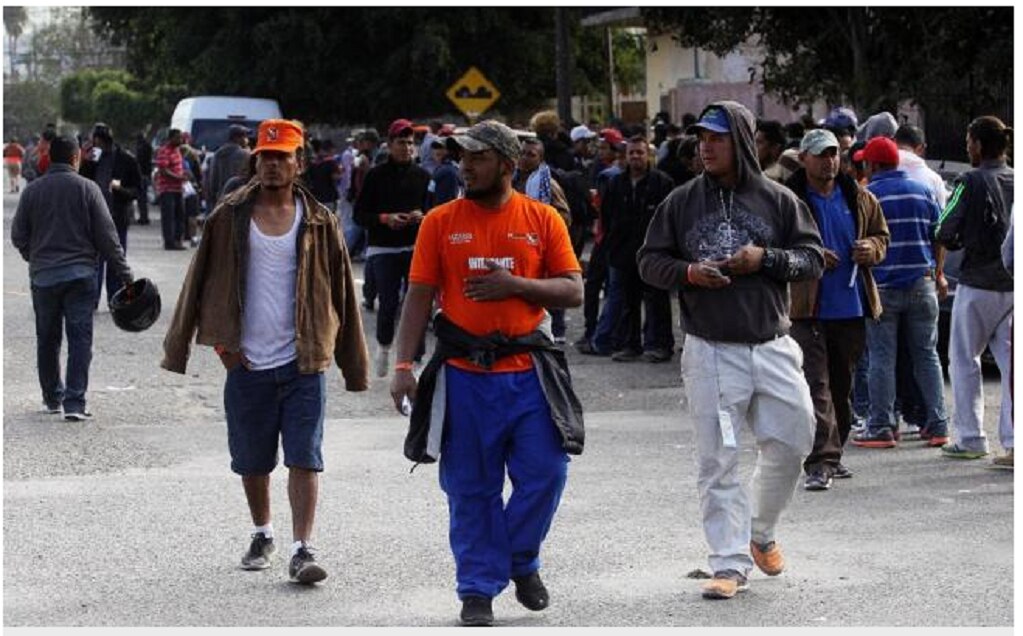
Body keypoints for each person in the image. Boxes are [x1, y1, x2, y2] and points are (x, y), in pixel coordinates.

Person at [389, 119, 584, 627]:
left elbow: (572, 289)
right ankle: (477, 588)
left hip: (529, 372)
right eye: (461, 157)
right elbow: (418, 296)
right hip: (463, 374)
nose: (465, 166)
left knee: (547, 473)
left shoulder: (542, 218)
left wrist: (516, 285)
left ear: (507, 162)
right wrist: (403, 364)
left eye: (476, 157)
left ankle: (520, 559)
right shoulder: (439, 221)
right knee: (470, 488)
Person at [161, 119, 370, 584]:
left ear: (298, 164)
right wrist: (217, 345)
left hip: (304, 361)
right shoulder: (228, 215)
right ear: (255, 161)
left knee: (305, 456)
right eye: (266, 157)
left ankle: (302, 547)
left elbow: (341, 293)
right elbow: (200, 282)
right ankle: (263, 532)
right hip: (247, 360)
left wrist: (352, 363)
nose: (274, 165)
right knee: (252, 461)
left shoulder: (320, 220)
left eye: (283, 157)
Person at [637, 101, 824, 599]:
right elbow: (648, 262)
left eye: (717, 138)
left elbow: (811, 259)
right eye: (701, 138)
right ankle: (728, 563)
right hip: (712, 352)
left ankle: (758, 532)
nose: (706, 146)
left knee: (795, 438)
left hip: (772, 345)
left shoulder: (781, 199)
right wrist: (689, 273)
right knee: (718, 457)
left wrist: (765, 258)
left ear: (741, 140)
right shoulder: (680, 202)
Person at [784, 129, 889, 490]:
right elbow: (773, 248)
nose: (829, 160)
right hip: (806, 309)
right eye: (820, 154)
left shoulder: (859, 196)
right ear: (804, 159)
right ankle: (820, 461)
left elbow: (881, 236)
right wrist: (809, 257)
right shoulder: (789, 200)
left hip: (851, 305)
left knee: (842, 387)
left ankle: (834, 453)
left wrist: (870, 249)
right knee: (817, 386)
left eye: (833, 154)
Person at [11, 135, 133, 420]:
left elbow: (18, 236)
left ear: (50, 157)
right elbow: (108, 237)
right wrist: (126, 276)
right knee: (80, 340)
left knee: (47, 340)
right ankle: (75, 404)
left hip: (43, 278)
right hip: (80, 277)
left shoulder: (32, 191)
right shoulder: (88, 189)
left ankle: (52, 398)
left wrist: (36, 257)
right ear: (76, 158)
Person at [846, 136, 948, 450]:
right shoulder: (924, 191)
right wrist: (939, 273)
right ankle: (938, 425)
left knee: (881, 357)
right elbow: (939, 236)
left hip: (883, 287)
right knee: (927, 356)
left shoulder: (867, 195)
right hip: (922, 284)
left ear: (874, 164)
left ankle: (881, 426)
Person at [935, 116, 1014, 466]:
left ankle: (970, 437)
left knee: (964, 360)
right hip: (1012, 286)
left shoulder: (969, 180)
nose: (967, 148)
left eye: (969, 142)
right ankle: (1013, 443)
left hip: (977, 284)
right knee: (1012, 367)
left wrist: (953, 240)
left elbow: (944, 225)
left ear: (979, 146)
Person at [353, 119, 431, 377]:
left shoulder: (423, 175)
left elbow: (435, 211)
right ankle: (384, 346)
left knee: (417, 303)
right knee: (388, 302)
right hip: (383, 248)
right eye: (401, 142)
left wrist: (423, 216)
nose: (407, 148)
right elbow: (359, 214)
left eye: (410, 143)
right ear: (390, 145)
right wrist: (386, 218)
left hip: (415, 248)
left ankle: (415, 360)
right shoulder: (376, 175)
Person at [601, 135, 676, 362]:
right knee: (627, 301)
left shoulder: (662, 183)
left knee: (657, 301)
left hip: (654, 253)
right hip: (624, 253)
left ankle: (660, 345)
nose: (635, 157)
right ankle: (630, 344)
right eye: (631, 153)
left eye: (640, 152)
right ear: (625, 156)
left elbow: (670, 218)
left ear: (648, 155)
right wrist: (612, 247)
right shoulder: (616, 184)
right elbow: (607, 216)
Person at [78, 123, 143, 307]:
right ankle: (92, 299)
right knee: (93, 261)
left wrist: (120, 190)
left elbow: (137, 190)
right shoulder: (92, 160)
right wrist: (86, 163)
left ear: (99, 140)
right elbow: (81, 184)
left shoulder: (126, 160)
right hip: (93, 219)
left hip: (117, 218)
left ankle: (115, 299)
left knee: (116, 260)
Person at [203, 124, 251, 212]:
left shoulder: (217, 154)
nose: (247, 139)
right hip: (239, 200)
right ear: (237, 138)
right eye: (245, 136)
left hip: (220, 201)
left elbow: (212, 181)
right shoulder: (245, 154)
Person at [155, 129, 189, 250]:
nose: (180, 140)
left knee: (180, 215)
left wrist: (184, 174)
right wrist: (179, 177)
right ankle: (169, 242)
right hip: (167, 189)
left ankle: (177, 240)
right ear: (171, 138)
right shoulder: (164, 151)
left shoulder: (177, 151)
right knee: (169, 217)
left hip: (178, 189)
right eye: (178, 138)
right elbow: (164, 171)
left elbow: (177, 167)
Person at [134, 132, 153, 224]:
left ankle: (143, 217)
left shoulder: (141, 148)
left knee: (141, 198)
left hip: (142, 175)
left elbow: (138, 161)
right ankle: (144, 216)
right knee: (143, 198)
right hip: (146, 174)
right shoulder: (148, 147)